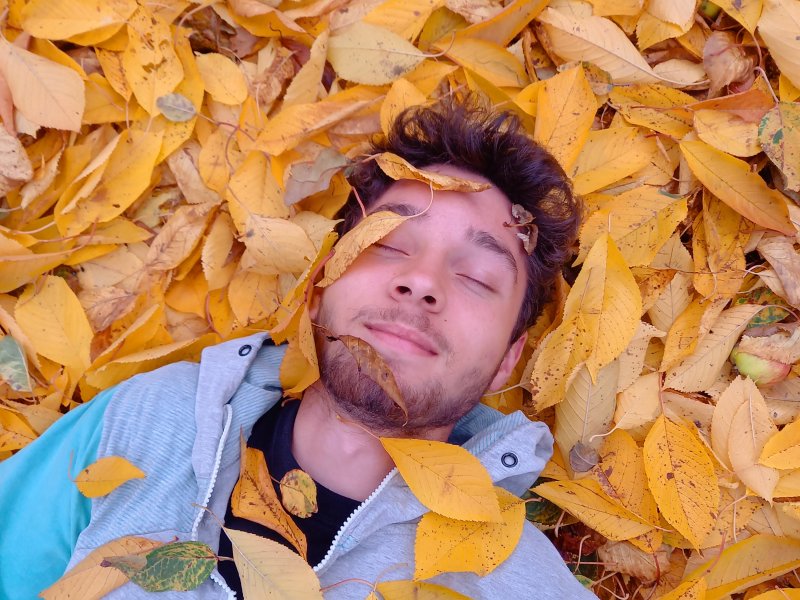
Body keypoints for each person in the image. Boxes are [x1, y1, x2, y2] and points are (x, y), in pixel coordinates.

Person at [0, 98, 596, 599]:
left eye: (476, 278)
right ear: (317, 288)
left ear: (509, 360)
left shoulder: (520, 583)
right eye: (387, 244)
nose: (421, 281)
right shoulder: (150, 419)